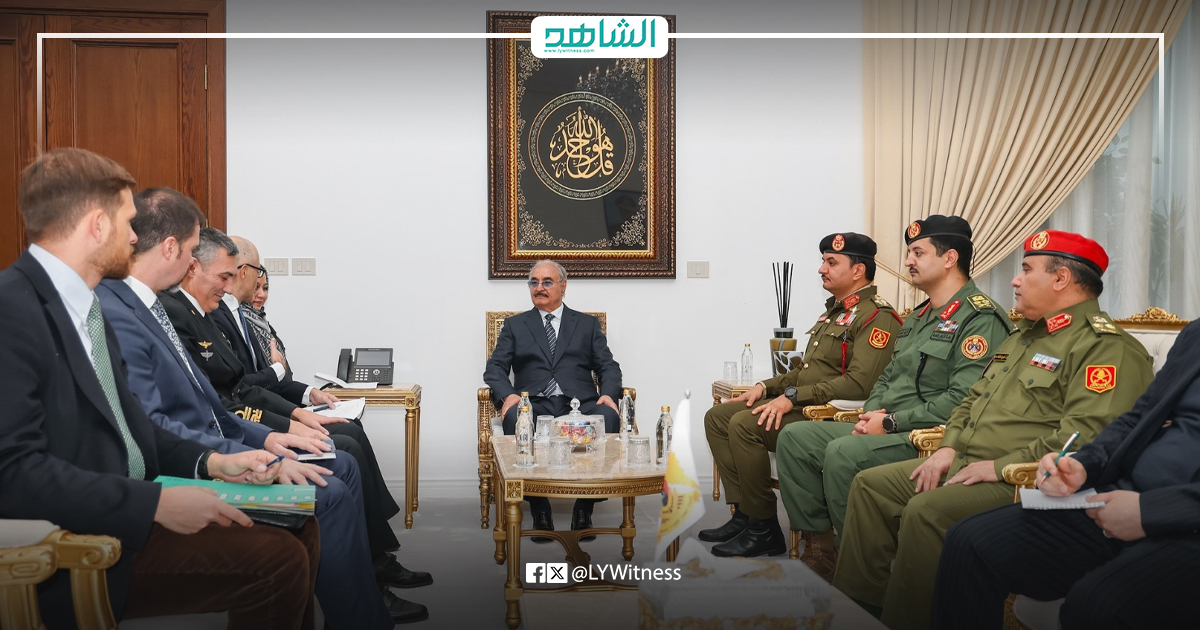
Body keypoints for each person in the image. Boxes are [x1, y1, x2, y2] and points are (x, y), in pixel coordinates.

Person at [0, 147, 318, 629]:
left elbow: (136, 428)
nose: (135, 237)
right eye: (128, 222)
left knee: (300, 525)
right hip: (77, 537)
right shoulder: (14, 310)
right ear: (96, 225)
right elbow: (14, 472)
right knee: (277, 560)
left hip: (129, 504)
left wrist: (215, 463)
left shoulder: (86, 306)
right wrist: (154, 505)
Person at [94, 187, 427, 625]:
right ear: (173, 249)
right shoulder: (123, 310)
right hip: (186, 467)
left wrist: (268, 437)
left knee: (339, 466)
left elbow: (212, 404)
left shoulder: (149, 305)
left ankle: (366, 607)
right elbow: (157, 424)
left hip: (218, 441)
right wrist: (238, 456)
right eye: (194, 252)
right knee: (329, 489)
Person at [832, 230, 1156, 630]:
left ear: (1061, 279)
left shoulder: (1106, 348)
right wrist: (948, 447)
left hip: (1023, 481)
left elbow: (1085, 439)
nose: (1015, 280)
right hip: (965, 460)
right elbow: (971, 399)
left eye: (1027, 270)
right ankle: (859, 612)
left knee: (926, 511)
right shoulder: (1023, 336)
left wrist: (998, 467)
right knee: (871, 486)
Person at [161, 227, 431, 594]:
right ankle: (369, 569)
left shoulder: (217, 313)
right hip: (227, 436)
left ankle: (372, 562)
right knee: (342, 447)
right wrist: (284, 424)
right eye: (228, 276)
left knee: (345, 438)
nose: (233, 285)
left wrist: (301, 408)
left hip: (244, 422)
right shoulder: (185, 313)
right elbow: (230, 398)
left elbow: (241, 386)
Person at [774, 216, 1012, 579]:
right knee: (795, 438)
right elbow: (888, 376)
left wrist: (889, 422)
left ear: (949, 258)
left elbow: (963, 399)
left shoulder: (980, 318)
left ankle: (864, 567)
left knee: (843, 453)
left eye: (918, 253)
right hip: (887, 423)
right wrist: (870, 415)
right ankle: (826, 550)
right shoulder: (919, 316)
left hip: (926, 434)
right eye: (909, 253)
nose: (907, 261)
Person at [932, 328, 1200, 630]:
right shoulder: (1196, 334)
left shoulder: (1103, 345)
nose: (1015, 296)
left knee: (1096, 604)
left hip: (1185, 521)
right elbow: (1137, 418)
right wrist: (1084, 464)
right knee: (969, 541)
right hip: (1122, 497)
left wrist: (1150, 511)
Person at [701, 232, 903, 558]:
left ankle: (763, 527)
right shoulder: (834, 313)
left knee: (744, 424)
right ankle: (745, 513)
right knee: (717, 417)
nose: (822, 269)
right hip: (806, 402)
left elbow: (859, 385)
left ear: (858, 270)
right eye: (823, 261)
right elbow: (805, 372)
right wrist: (765, 387)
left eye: (831, 262)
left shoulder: (877, 317)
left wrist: (792, 397)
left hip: (829, 413)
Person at [483, 260, 623, 540]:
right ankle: (540, 508)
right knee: (515, 417)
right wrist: (509, 395)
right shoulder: (515, 325)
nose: (539, 288)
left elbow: (608, 366)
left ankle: (584, 508)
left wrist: (608, 394)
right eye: (534, 282)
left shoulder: (586, 324)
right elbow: (495, 368)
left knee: (608, 415)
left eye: (547, 282)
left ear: (563, 286)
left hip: (580, 403)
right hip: (533, 403)